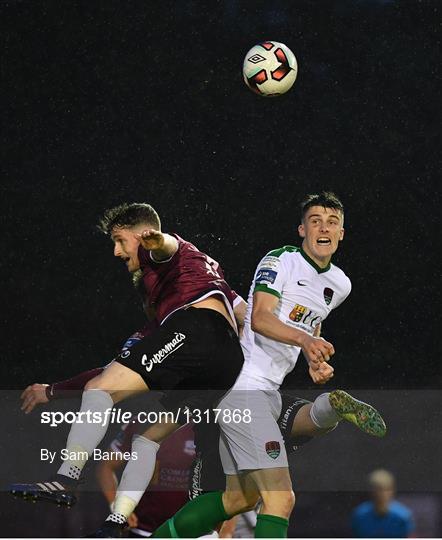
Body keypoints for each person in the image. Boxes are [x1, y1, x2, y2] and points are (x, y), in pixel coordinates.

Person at [151, 192, 387, 539]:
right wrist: (306, 342)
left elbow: (312, 321)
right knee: (280, 498)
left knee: (238, 498)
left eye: (332, 222)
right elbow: (259, 318)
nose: (324, 227)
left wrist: (312, 356)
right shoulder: (280, 261)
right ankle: (326, 411)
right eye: (315, 221)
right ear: (302, 229)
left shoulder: (340, 284)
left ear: (342, 234)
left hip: (266, 391)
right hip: (243, 388)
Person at [11, 202, 247, 534]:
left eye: (121, 240)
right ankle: (117, 520)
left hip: (198, 333)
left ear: (141, 234)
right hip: (227, 362)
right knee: (147, 442)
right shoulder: (209, 275)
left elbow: (167, 246)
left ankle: (65, 480)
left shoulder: (164, 252)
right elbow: (247, 316)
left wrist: (156, 240)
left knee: (99, 392)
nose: (116, 251)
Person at [352, 469, 415, 538]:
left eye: (385, 489)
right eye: (377, 489)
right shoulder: (359, 515)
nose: (381, 494)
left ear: (392, 490)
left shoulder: (403, 516)